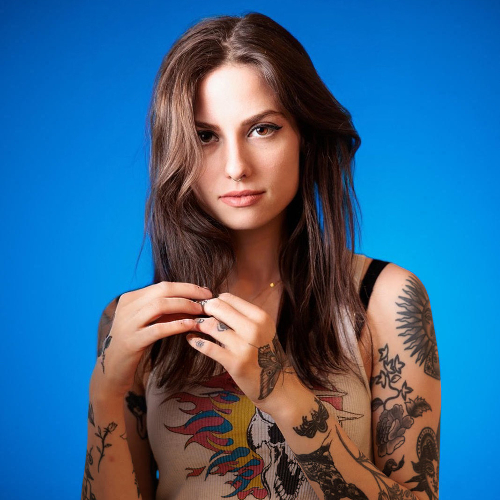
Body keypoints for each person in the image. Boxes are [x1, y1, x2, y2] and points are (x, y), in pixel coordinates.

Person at [82, 12, 441, 500]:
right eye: (205, 136)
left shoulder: (384, 299)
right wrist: (105, 392)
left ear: (304, 137)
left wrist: (283, 394)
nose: (236, 167)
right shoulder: (136, 322)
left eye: (262, 129)